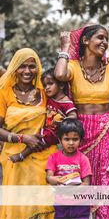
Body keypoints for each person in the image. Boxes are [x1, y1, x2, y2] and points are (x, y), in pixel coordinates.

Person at [55, 24, 109, 219]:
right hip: (80, 133)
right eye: (100, 38)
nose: (104, 42)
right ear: (85, 41)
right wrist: (64, 49)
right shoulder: (74, 67)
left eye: (106, 39)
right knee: (79, 182)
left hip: (107, 131)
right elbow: (60, 75)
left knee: (108, 185)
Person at [0, 48, 57, 219]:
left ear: (37, 68)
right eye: (22, 66)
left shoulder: (45, 92)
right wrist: (23, 138)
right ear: (14, 68)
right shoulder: (4, 92)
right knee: (18, 207)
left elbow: (54, 121)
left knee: (42, 205)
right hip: (14, 159)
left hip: (43, 158)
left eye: (32, 66)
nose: (27, 71)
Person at [9, 68, 77, 163]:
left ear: (61, 85)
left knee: (37, 141)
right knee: (36, 138)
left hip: (55, 132)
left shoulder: (66, 102)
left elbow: (73, 115)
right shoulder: (50, 98)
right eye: (45, 85)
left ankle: (22, 155)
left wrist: (63, 121)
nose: (47, 88)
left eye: (50, 84)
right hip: (47, 129)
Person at [46, 118, 92, 219]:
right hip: (61, 203)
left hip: (81, 204)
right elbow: (49, 177)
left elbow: (86, 184)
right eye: (67, 139)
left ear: (80, 140)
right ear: (60, 140)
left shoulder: (83, 159)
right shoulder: (53, 158)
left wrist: (72, 189)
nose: (71, 143)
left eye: (75, 139)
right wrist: (59, 180)